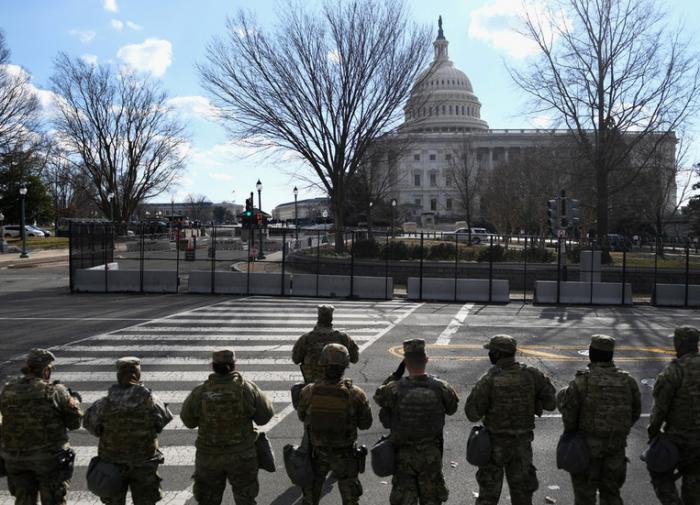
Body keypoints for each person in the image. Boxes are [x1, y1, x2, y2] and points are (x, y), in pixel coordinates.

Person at [465, 335, 556, 505]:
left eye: (491, 351)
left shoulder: (489, 379)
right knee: (522, 497)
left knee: (487, 498)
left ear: (498, 354)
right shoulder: (532, 374)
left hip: (494, 447)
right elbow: (551, 403)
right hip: (522, 446)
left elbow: (472, 413)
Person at [180, 349, 274, 505]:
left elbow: (188, 421)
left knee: (208, 500)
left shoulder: (200, 392)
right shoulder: (247, 389)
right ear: (234, 364)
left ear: (213, 366)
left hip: (209, 457)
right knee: (245, 500)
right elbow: (265, 416)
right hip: (242, 456)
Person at [556, 335, 641, 504]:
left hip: (586, 449)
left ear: (591, 354)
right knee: (611, 495)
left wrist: (571, 434)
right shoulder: (628, 381)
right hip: (615, 449)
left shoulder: (581, 381)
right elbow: (635, 412)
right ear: (610, 355)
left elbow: (569, 416)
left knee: (584, 497)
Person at [374, 338, 459, 505]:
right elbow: (452, 409)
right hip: (431, 454)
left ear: (405, 362)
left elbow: (378, 397)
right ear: (426, 360)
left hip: (403, 456)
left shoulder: (394, 388)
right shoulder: (441, 387)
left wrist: (395, 375)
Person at [83, 357, 173, 505]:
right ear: (138, 375)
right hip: (144, 465)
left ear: (119, 376)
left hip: (112, 466)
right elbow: (162, 422)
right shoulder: (151, 400)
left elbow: (92, 426)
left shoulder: (104, 403)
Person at [0, 348, 83, 505]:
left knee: (23, 500)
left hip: (16, 460)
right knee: (53, 500)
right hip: (49, 460)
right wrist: (74, 401)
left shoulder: (8, 390)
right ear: (45, 370)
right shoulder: (55, 391)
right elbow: (74, 423)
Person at [297, 343, 373, 505]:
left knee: (310, 499)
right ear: (345, 365)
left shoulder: (309, 391)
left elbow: (302, 416)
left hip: (317, 455)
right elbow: (365, 424)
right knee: (350, 499)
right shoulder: (356, 394)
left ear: (323, 364)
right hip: (345, 455)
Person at [648, 326, 700, 505]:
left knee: (660, 475)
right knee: (694, 484)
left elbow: (660, 408)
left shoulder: (675, 371)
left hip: (679, 438)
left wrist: (653, 432)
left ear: (679, 343)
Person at [293, 305, 360, 384]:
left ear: (318, 318)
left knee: (296, 389)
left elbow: (296, 359)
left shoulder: (306, 338)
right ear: (331, 318)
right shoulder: (343, 337)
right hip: (336, 384)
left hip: (312, 386)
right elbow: (355, 359)